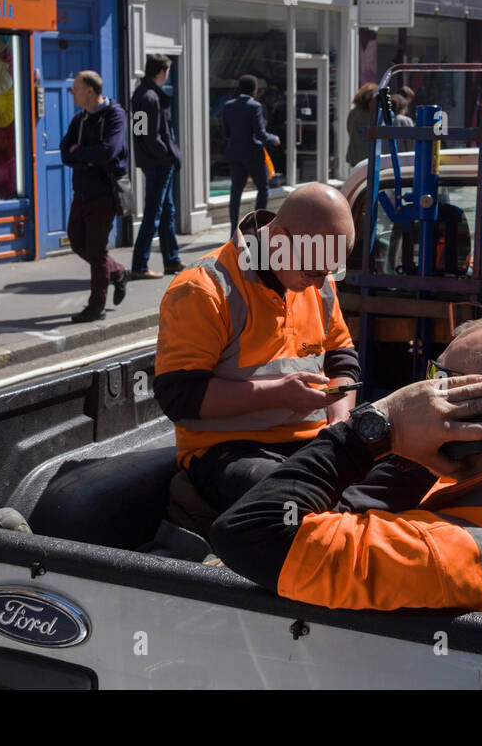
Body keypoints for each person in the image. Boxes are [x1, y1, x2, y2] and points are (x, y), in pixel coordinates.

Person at [211, 317, 482, 612]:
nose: (423, 392)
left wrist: (378, 423)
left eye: (441, 383)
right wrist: (410, 442)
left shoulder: (437, 554)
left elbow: (247, 532)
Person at [154, 183, 362, 513]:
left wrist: (339, 420)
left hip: (313, 440)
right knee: (299, 503)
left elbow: (342, 358)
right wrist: (277, 394)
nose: (321, 283)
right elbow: (179, 396)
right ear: (278, 241)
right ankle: (196, 507)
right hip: (227, 451)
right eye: (314, 272)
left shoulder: (316, 281)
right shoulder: (202, 288)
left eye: (330, 272)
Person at [60, 70, 129, 323]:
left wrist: (82, 154)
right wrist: (86, 156)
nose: (72, 93)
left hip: (104, 193)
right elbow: (64, 152)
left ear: (89, 91)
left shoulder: (114, 115)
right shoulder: (80, 119)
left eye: (75, 88)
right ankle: (119, 272)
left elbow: (109, 152)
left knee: (97, 251)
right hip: (82, 192)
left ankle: (95, 306)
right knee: (78, 242)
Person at [129, 54, 184, 280]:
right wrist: (166, 156)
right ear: (162, 72)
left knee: (166, 211)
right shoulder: (150, 97)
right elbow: (147, 135)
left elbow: (141, 133)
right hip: (158, 163)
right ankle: (140, 264)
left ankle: (172, 259)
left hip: (153, 161)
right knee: (154, 212)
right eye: (168, 70)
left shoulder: (143, 94)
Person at [222, 74, 281, 234]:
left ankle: (233, 230)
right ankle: (255, 228)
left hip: (235, 154)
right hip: (253, 155)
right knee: (263, 189)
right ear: (254, 90)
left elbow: (226, 133)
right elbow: (260, 134)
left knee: (235, 193)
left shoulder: (228, 105)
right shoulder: (255, 106)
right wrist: (274, 139)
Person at [344, 82, 378, 168]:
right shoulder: (374, 115)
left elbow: (350, 131)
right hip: (370, 157)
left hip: (355, 157)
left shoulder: (353, 113)